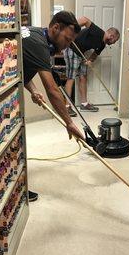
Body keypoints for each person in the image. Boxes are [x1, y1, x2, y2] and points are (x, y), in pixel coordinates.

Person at [22, 11, 84, 202]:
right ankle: (17, 189)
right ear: (55, 27)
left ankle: (17, 187)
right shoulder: (39, 44)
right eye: (67, 39)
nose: (67, 46)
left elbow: (20, 66)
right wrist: (69, 122)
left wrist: (32, 89)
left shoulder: (36, 34)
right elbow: (53, 90)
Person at [64, 17, 120, 114]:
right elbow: (85, 20)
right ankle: (66, 106)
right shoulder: (97, 31)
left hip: (81, 54)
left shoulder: (103, 44)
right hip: (72, 50)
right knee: (71, 78)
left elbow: (95, 55)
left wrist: (90, 61)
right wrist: (70, 30)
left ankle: (84, 104)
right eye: (113, 41)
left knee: (83, 77)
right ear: (111, 36)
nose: (112, 43)